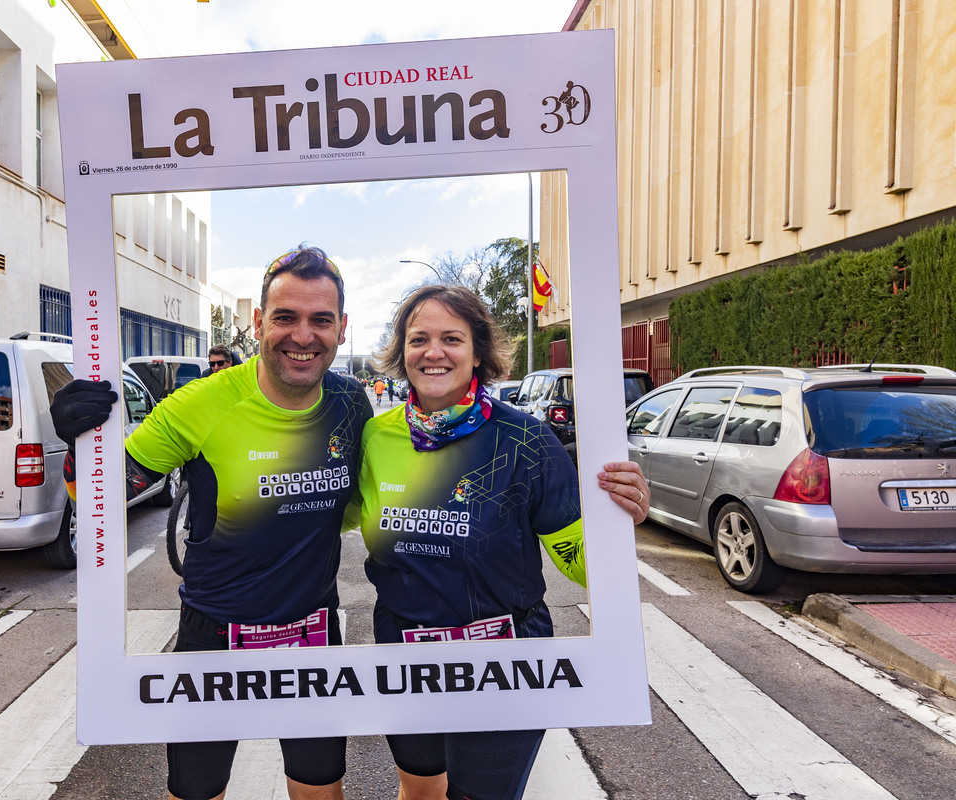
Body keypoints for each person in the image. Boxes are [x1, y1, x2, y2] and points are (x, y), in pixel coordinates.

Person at [51, 246, 371, 800]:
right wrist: (77, 448)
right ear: (258, 323)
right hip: (214, 636)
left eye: (321, 320)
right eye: (285, 317)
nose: (303, 335)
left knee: (321, 791)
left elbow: (363, 501)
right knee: (196, 793)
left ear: (342, 329)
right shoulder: (198, 403)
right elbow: (103, 497)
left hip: (313, 633)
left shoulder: (349, 402)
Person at [348, 284, 649, 800]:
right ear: (402, 353)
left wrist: (618, 525)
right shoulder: (377, 439)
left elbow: (579, 565)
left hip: (505, 657)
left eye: (452, 338)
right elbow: (331, 517)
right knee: (419, 789)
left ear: (479, 353)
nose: (434, 351)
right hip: (404, 654)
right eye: (419, 338)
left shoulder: (527, 440)